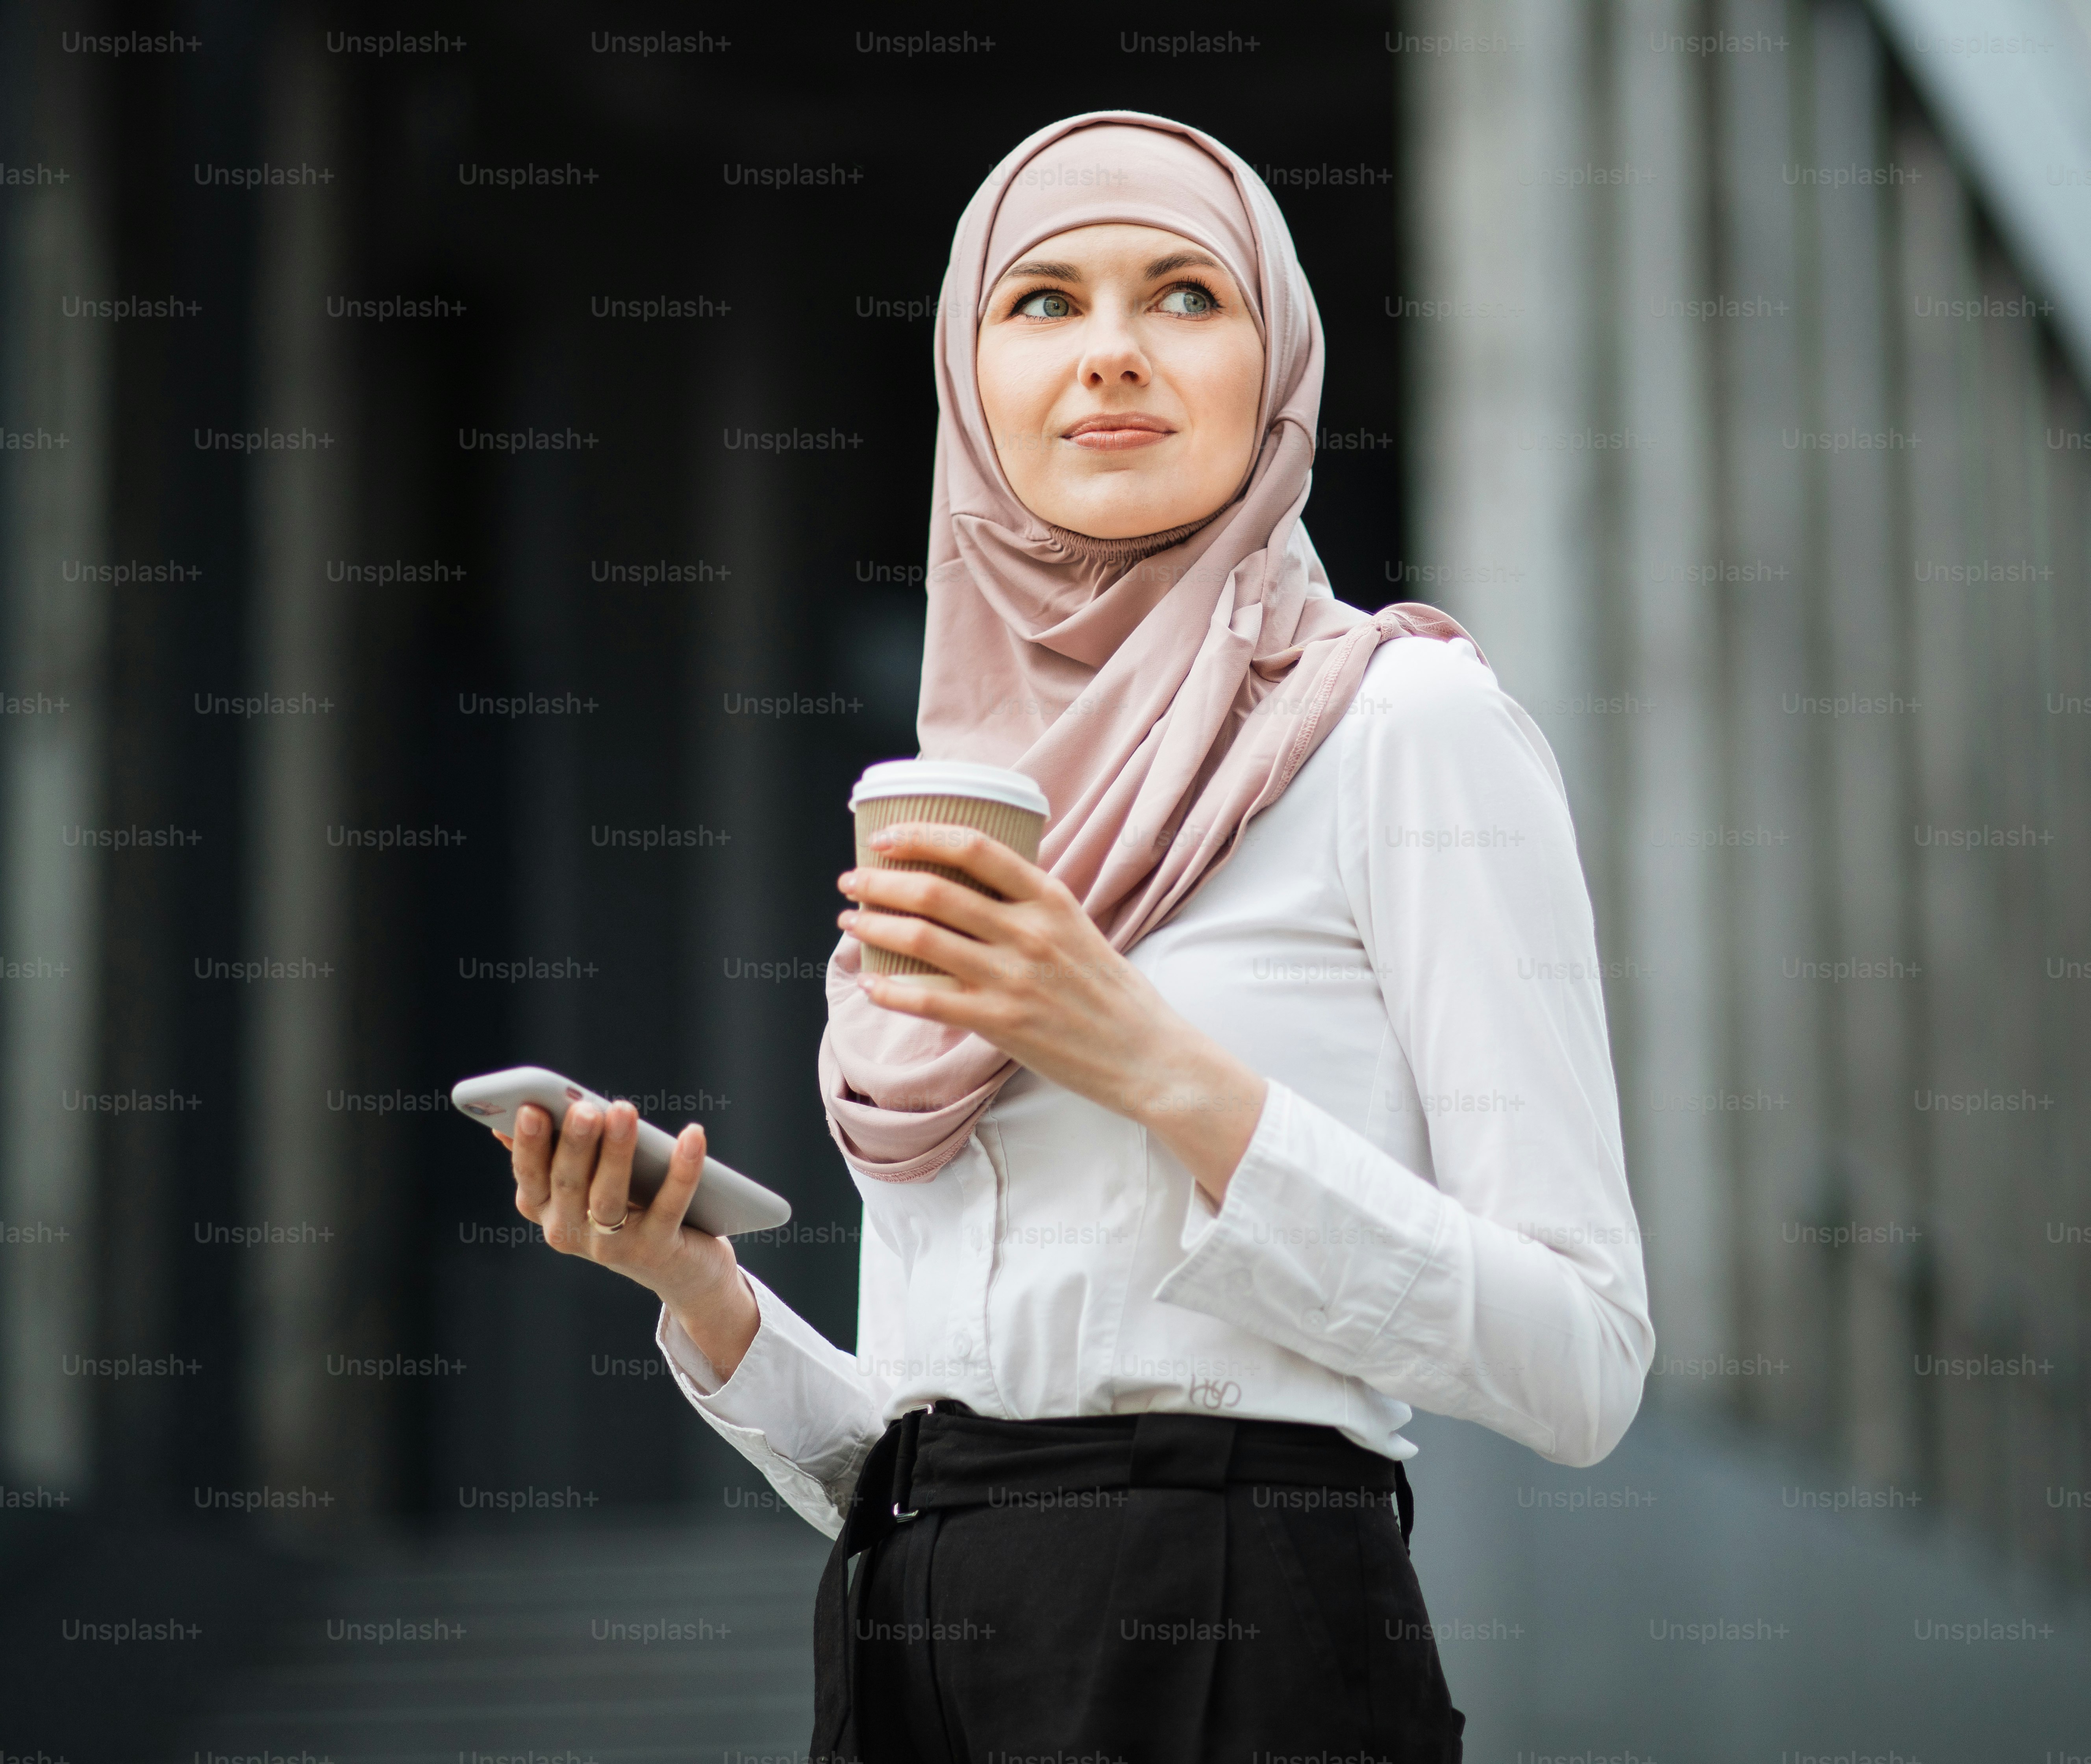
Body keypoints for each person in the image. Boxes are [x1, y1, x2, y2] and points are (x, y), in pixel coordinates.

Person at [493, 111, 1652, 1762]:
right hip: (916, 1648)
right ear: (972, 385)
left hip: (1243, 1644)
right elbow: (961, 1445)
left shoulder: (1405, 725)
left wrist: (1152, 1063)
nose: (1109, 354)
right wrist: (700, 1290)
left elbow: (1586, 1359)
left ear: (1280, 368)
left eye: (1185, 295)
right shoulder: (973, 793)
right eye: (1043, 304)